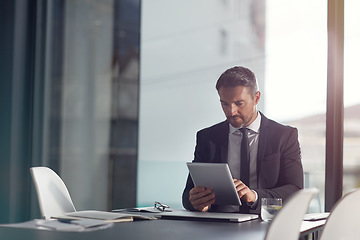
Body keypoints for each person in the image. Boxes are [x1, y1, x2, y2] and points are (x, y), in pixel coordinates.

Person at [182, 66, 303, 214]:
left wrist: (255, 196)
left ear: (256, 98)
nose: (231, 112)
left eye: (239, 103)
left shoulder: (284, 136)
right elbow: (188, 195)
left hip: (264, 223)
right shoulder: (207, 138)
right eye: (224, 104)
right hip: (219, 226)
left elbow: (295, 191)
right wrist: (196, 201)